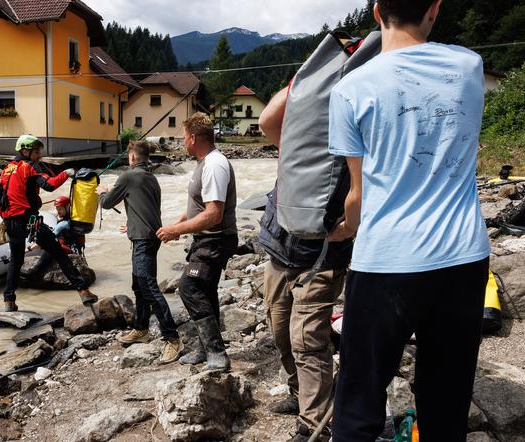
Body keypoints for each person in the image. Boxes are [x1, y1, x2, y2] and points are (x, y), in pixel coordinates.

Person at [326, 1, 491, 439]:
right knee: (446, 402)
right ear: (434, 9)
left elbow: (358, 194)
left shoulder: (350, 88)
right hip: (462, 257)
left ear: (377, 11)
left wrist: (346, 228)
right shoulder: (469, 66)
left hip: (385, 260)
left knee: (359, 400)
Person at [252, 85, 353, 440]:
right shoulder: (296, 145)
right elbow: (267, 120)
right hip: (279, 254)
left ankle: (314, 423)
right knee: (280, 332)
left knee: (307, 341)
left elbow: (368, 193)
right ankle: (298, 393)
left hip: (322, 261)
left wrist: (349, 227)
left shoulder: (350, 151)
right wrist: (306, 80)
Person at [157, 112, 237, 372]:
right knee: (205, 289)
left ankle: (217, 354)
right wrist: (178, 226)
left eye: (183, 138)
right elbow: (198, 205)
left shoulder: (214, 165)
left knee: (189, 287)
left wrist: (177, 229)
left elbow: (214, 214)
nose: (182, 142)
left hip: (216, 240)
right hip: (206, 238)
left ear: (192, 138)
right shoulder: (205, 163)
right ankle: (206, 349)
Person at [97, 141, 181, 364]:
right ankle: (141, 329)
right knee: (139, 286)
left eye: (129, 156)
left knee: (149, 288)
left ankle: (172, 338)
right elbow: (146, 208)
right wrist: (132, 223)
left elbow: (106, 203)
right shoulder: (152, 178)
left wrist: (102, 192)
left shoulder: (128, 177)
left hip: (143, 240)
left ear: (132, 157)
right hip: (150, 236)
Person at [0, 134, 98, 312]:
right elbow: (49, 185)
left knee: (16, 261)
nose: (39, 155)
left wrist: (7, 218)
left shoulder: (7, 170)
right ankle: (83, 291)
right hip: (29, 221)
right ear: (25, 151)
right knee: (58, 252)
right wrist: (66, 173)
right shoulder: (29, 166)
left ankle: (9, 301)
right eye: (36, 152)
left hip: (11, 222)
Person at [22, 195, 85, 281]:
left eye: (60, 209)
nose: (58, 212)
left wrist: (27, 250)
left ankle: (35, 271)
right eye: (57, 209)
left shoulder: (63, 224)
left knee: (50, 246)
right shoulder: (74, 219)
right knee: (52, 244)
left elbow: (48, 240)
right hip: (73, 249)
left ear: (67, 207)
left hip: (69, 249)